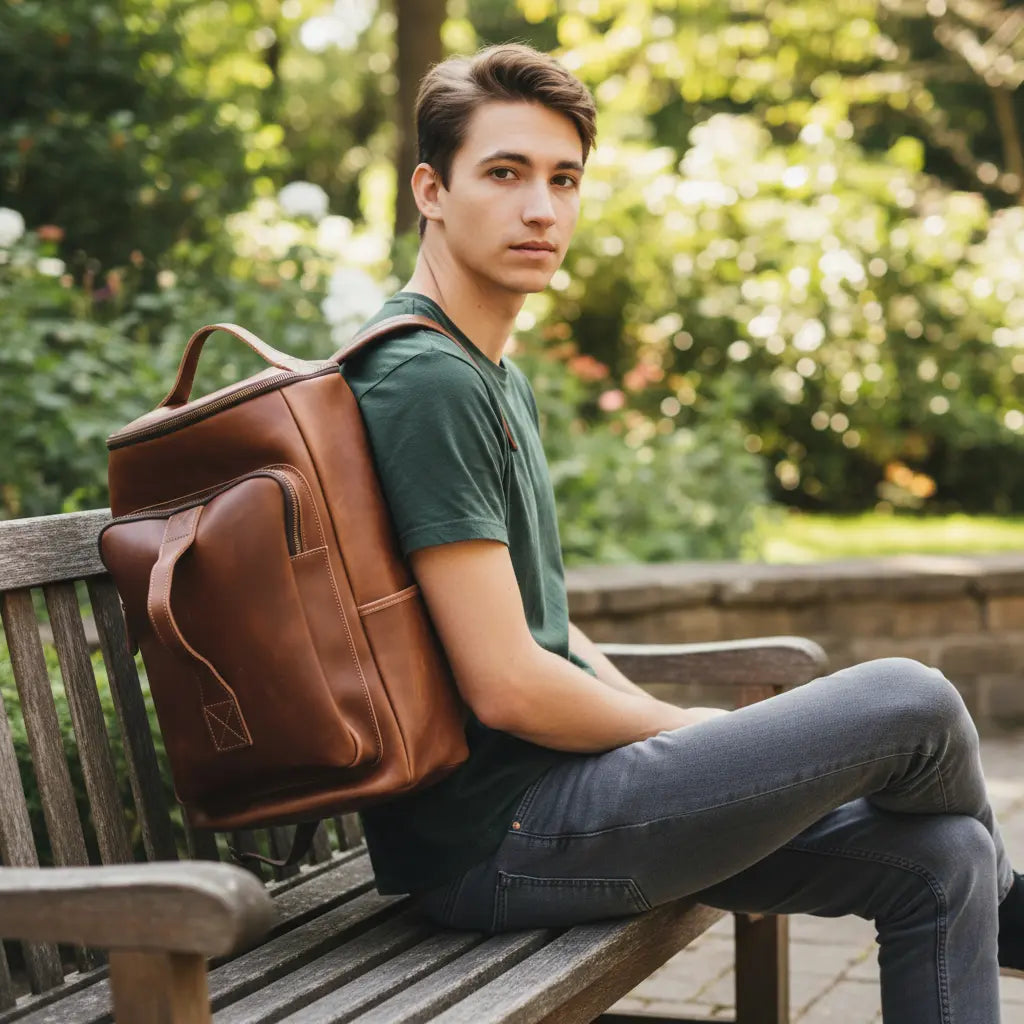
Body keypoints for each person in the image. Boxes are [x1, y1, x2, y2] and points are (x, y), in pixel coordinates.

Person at [340, 41, 1024, 1023]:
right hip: (498, 841)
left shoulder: (487, 370)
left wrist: (696, 750)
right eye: (504, 173)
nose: (542, 208)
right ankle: (1020, 914)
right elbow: (508, 682)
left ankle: (996, 893)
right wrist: (697, 732)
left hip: (562, 804)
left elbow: (549, 630)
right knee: (908, 698)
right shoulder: (427, 380)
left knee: (941, 857)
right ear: (430, 189)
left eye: (563, 178)